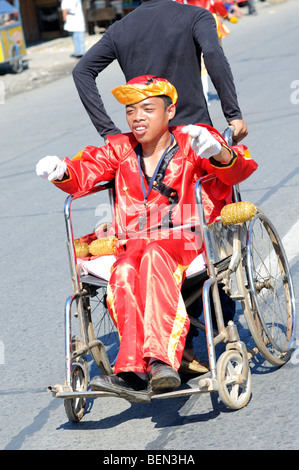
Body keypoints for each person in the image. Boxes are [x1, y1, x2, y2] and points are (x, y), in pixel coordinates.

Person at [36, 75, 257, 402]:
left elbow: (238, 170)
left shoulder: (193, 139)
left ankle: (158, 360)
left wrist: (218, 154)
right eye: (130, 110)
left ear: (170, 112)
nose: (137, 117)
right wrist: (62, 171)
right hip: (134, 243)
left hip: (186, 239)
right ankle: (132, 369)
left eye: (147, 109)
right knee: (123, 271)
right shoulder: (121, 148)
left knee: (152, 256)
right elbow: (86, 171)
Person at [72, 0, 248, 144]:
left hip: (148, 142)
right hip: (195, 135)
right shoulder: (196, 15)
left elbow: (81, 71)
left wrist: (109, 132)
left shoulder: (119, 29)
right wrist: (233, 115)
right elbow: (212, 53)